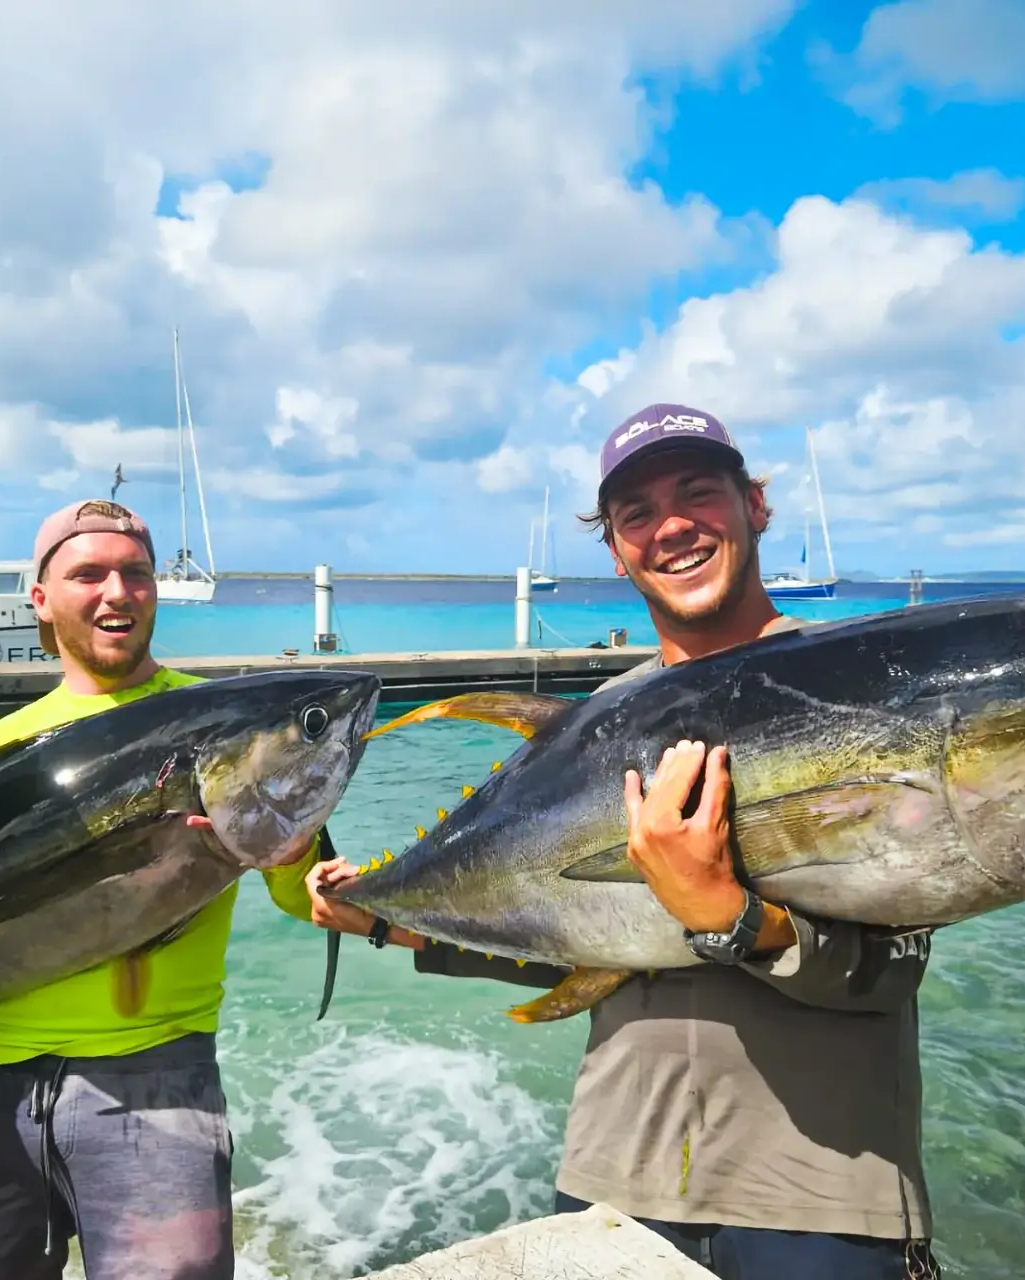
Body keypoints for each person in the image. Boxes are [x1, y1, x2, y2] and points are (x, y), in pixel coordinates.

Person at [307, 405, 942, 1280]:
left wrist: (727, 914)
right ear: (614, 550)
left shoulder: (858, 686)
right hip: (616, 1184)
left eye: (698, 493)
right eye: (635, 513)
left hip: (824, 1196)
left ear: (755, 505)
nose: (671, 526)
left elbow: (893, 963)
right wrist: (386, 919)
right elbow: (566, 927)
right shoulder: (593, 726)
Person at [0, 498, 323, 1280]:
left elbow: (305, 893)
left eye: (136, 573)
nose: (117, 592)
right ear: (39, 599)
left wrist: (290, 851)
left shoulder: (228, 722)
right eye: (89, 573)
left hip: (155, 1081)